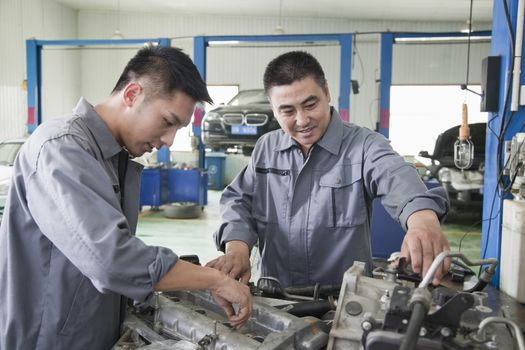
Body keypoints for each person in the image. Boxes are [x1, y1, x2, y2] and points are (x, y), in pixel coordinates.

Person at [0, 46, 251, 350]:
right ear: (132, 94)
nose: (168, 141)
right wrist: (215, 281)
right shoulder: (62, 148)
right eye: (168, 122)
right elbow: (112, 260)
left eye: (179, 129)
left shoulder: (109, 157)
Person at [207, 50, 450, 290]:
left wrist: (422, 220)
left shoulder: (363, 146)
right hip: (274, 295)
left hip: (344, 303)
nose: (302, 120)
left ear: (326, 93)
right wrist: (237, 248)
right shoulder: (266, 148)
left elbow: (395, 175)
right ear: (273, 108)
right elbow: (238, 199)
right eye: (288, 111)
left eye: (310, 104)